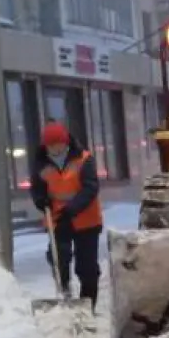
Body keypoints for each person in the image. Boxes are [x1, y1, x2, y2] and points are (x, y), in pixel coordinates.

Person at [30, 122, 103, 310]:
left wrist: (71, 209)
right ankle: (64, 292)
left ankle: (88, 305)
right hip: (58, 221)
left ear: (66, 142)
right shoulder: (41, 164)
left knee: (86, 267)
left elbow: (90, 188)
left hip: (86, 220)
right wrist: (40, 200)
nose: (55, 148)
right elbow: (37, 188)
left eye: (58, 144)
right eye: (51, 145)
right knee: (59, 258)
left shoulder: (84, 159)